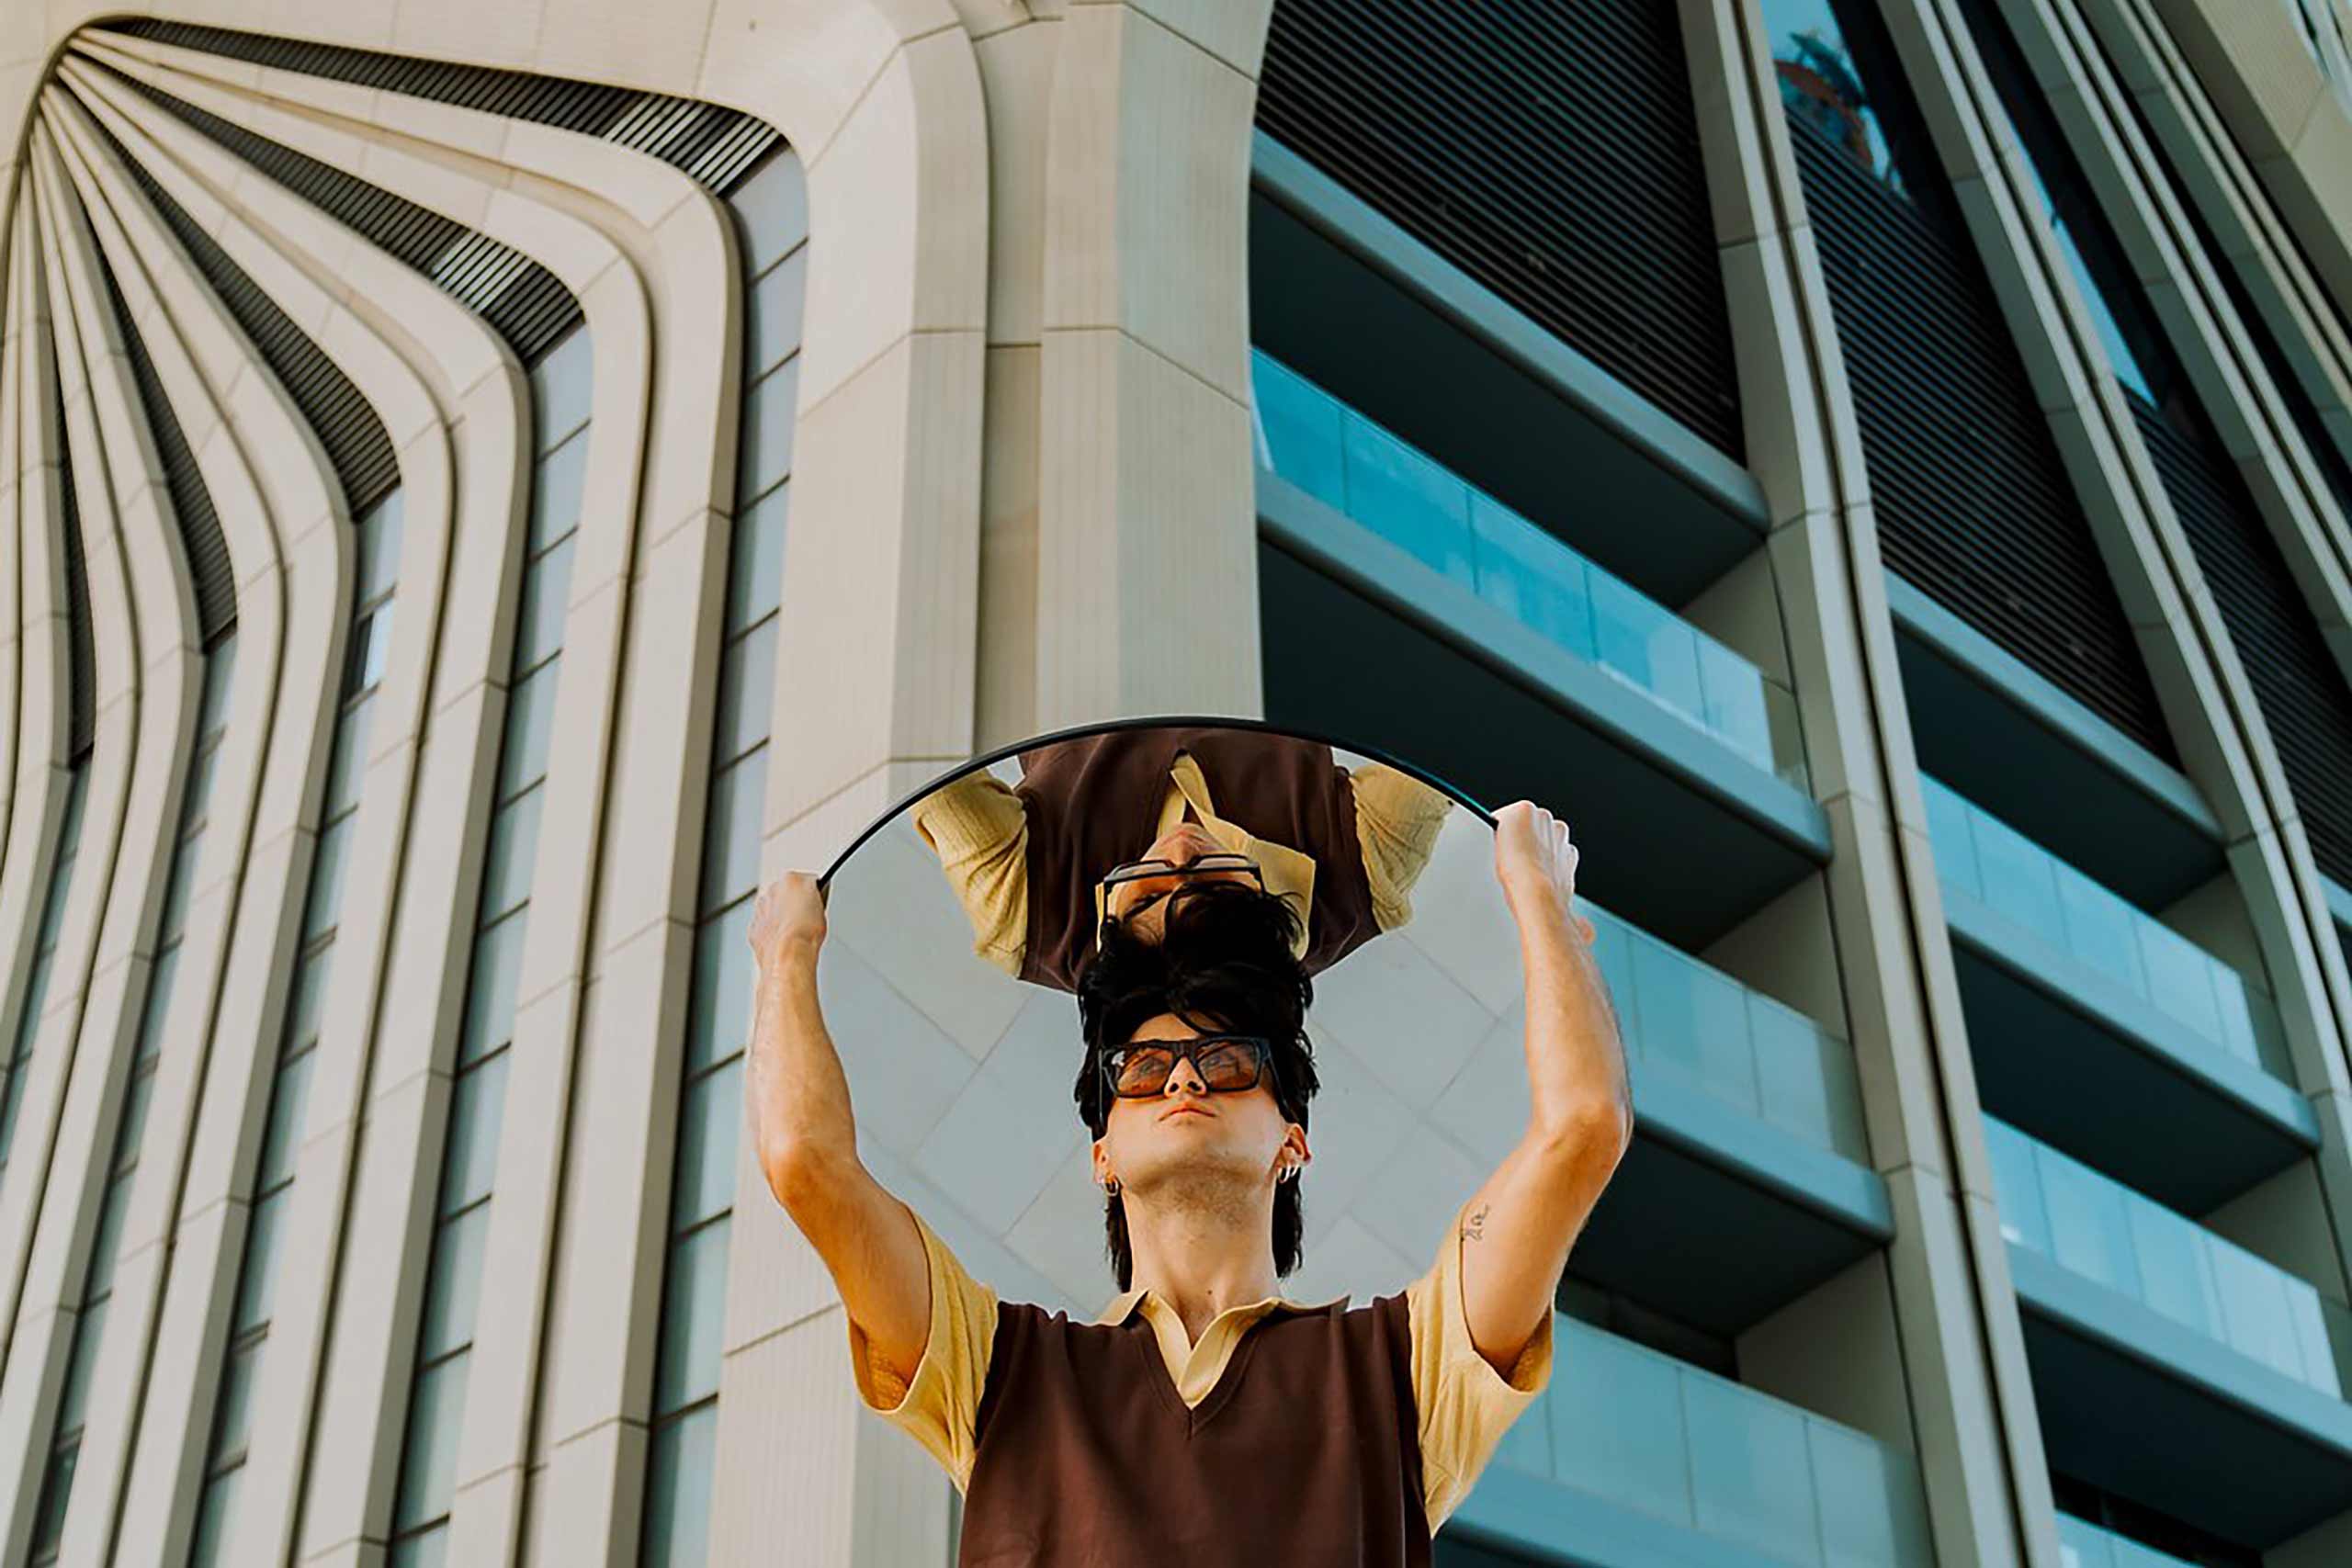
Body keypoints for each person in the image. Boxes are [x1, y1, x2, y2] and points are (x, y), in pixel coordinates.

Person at [748, 801, 1631, 1566]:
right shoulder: (995, 1372)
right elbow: (805, 1162)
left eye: (1227, 1056)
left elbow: (1583, 1127)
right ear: (1102, 1152)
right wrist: (786, 951)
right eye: (1141, 1067)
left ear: (1294, 1139)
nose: (1182, 1078)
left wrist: (1543, 901)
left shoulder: (1401, 1371)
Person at [910, 726, 1457, 989]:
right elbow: (1452, 728)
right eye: (1217, 880)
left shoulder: (1030, 917)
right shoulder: (1363, 875)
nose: (1178, 853)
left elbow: (915, 747)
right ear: (1266, 905)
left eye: (1148, 889)